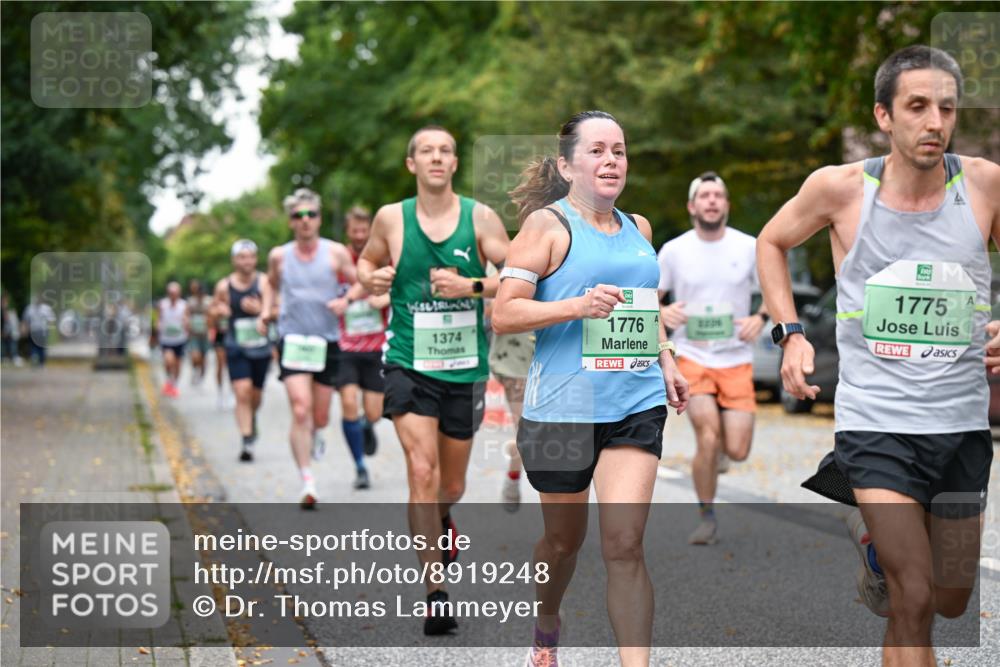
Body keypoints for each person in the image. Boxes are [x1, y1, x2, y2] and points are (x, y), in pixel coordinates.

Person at [757, 45, 1000, 665]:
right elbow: (772, 242)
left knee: (949, 598)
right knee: (913, 598)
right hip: (876, 423)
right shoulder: (840, 190)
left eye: (946, 108)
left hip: (961, 426)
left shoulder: (984, 184)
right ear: (884, 116)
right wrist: (792, 333)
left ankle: (868, 543)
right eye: (917, 106)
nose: (935, 122)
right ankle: (879, 535)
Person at [492, 110, 689, 667]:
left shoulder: (640, 229)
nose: (611, 161)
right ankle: (547, 621)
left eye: (619, 151)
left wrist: (667, 359)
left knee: (625, 544)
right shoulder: (546, 228)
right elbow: (504, 315)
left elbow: (642, 308)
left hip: (636, 401)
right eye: (598, 151)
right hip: (563, 409)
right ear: (567, 164)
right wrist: (576, 306)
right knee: (562, 544)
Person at [357, 125, 510, 635]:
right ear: (412, 164)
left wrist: (472, 285)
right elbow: (367, 261)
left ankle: (444, 518)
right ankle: (436, 594)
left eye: (446, 151)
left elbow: (519, 277)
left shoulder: (481, 218)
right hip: (408, 362)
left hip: (464, 368)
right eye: (427, 151)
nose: (437, 158)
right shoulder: (391, 219)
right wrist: (368, 278)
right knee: (420, 472)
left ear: (454, 163)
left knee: (451, 484)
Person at [657, 171, 768, 545]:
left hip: (735, 357)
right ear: (692, 205)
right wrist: (663, 314)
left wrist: (761, 317)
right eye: (704, 195)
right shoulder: (674, 250)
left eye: (718, 195)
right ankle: (707, 517)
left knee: (736, 449)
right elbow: (649, 297)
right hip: (692, 356)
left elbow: (775, 287)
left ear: (726, 205)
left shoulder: (749, 247)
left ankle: (720, 448)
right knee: (706, 436)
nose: (711, 201)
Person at [260, 188, 356, 508]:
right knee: (300, 409)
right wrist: (265, 310)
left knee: (320, 416)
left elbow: (360, 280)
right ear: (290, 222)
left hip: (326, 342)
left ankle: (316, 434)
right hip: (293, 340)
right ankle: (307, 480)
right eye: (298, 216)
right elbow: (269, 284)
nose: (305, 221)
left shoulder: (336, 252)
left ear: (319, 219)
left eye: (311, 215)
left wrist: (346, 300)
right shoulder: (278, 256)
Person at [335, 206, 391, 488]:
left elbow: (402, 285)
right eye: (354, 231)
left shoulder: (383, 258)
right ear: (348, 231)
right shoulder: (339, 261)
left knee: (374, 411)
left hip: (376, 346)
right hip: (345, 347)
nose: (359, 235)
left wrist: (387, 298)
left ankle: (367, 426)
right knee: (347, 403)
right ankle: (359, 466)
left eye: (363, 230)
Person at [212, 240, 274, 462]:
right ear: (234, 260)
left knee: (255, 395)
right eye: (242, 257)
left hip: (260, 347)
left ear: (256, 259)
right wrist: (220, 310)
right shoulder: (224, 286)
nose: (246, 261)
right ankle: (247, 440)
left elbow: (277, 309)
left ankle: (252, 418)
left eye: (250, 256)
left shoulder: (264, 282)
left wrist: (262, 311)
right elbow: (213, 310)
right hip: (235, 345)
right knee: (242, 392)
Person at [488, 330, 535, 512]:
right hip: (518, 359)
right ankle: (513, 476)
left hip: (563, 354)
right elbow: (493, 311)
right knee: (527, 432)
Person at [156, 282, 189, 396]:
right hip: (166, 339)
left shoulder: (184, 305)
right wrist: (158, 326)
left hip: (180, 338)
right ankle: (169, 379)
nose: (173, 295)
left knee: (178, 364)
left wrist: (186, 323)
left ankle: (174, 384)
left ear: (179, 293)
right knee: (169, 361)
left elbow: (187, 319)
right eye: (171, 293)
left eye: (175, 293)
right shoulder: (162, 304)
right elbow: (158, 318)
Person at [208, 287, 232, 410]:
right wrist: (217, 314)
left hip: (232, 337)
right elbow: (210, 323)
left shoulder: (233, 303)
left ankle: (232, 393)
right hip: (220, 338)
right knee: (220, 364)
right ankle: (220, 392)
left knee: (231, 365)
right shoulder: (213, 307)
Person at [187, 279, 212, 385]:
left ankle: (201, 375)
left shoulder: (209, 301)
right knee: (195, 356)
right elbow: (186, 314)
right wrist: (187, 323)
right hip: (194, 334)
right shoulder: (191, 301)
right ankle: (194, 370)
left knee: (203, 357)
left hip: (205, 334)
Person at [21, 297, 56, 367]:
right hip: (40, 330)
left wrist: (24, 329)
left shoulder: (30, 308)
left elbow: (25, 320)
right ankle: (40, 362)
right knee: (39, 347)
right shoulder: (46, 308)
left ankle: (36, 359)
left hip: (36, 330)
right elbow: (51, 320)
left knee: (35, 346)